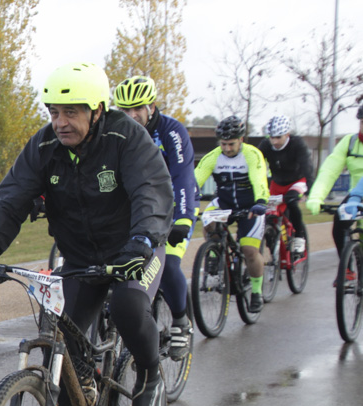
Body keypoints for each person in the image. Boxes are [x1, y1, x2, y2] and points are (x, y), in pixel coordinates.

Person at [0, 62, 173, 406]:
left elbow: (150, 193)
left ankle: (151, 374)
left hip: (136, 251)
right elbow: (11, 198)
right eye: (54, 112)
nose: (60, 122)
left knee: (127, 306)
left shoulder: (129, 139)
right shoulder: (44, 146)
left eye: (71, 112)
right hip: (81, 259)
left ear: (98, 110)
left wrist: (141, 242)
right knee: (60, 336)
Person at [113, 75, 198, 360]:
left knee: (169, 263)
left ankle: (181, 323)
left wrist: (183, 218)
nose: (131, 115)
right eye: (124, 110)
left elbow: (183, 177)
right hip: (140, 208)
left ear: (151, 106)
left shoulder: (172, 132)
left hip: (174, 206)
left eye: (137, 108)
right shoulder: (118, 131)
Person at [193, 115, 271, 312]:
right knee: (207, 218)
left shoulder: (252, 155)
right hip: (224, 203)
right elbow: (194, 182)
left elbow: (259, 180)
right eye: (223, 144)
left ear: (241, 140)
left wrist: (261, 201)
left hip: (251, 206)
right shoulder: (212, 157)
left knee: (250, 251)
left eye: (231, 144)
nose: (227, 148)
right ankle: (213, 252)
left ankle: (256, 291)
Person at [307, 105, 363, 282]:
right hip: (356, 194)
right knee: (339, 223)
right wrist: (317, 196)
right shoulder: (350, 142)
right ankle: (347, 269)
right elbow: (329, 171)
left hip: (357, 195)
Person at [257, 115, 313, 254]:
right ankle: (273, 243)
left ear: (287, 135)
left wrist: (310, 191)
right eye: (272, 137)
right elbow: (256, 166)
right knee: (269, 215)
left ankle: (299, 237)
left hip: (297, 181)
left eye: (278, 137)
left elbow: (307, 167)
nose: (274, 141)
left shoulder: (297, 144)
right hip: (277, 183)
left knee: (292, 202)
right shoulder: (265, 145)